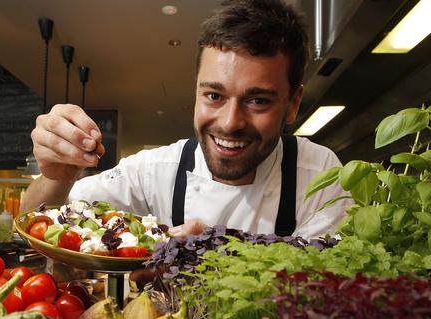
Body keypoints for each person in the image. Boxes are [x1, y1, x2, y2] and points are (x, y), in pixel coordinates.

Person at [22, 0, 348, 239]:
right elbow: (35, 224)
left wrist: (221, 248)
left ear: (293, 104)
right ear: (196, 92)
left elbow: (327, 284)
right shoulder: (155, 172)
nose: (231, 122)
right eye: (214, 96)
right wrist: (56, 178)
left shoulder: (319, 176)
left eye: (258, 100)